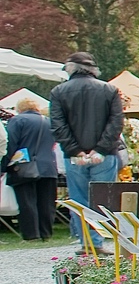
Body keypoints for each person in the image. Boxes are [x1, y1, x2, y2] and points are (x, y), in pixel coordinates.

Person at [47, 52, 123, 245]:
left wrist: (75, 150)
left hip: (74, 156)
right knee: (103, 199)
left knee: (79, 200)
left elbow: (58, 125)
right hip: (105, 155)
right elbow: (116, 123)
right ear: (93, 69)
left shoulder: (58, 92)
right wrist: (101, 149)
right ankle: (101, 240)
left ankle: (89, 242)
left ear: (70, 68)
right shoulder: (110, 90)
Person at [4, 104, 59, 241]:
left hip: (24, 167)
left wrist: (4, 166)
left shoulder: (17, 120)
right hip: (49, 166)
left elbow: (10, 145)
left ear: (20, 108)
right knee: (47, 202)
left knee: (27, 202)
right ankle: (46, 233)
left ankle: (31, 234)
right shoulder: (49, 121)